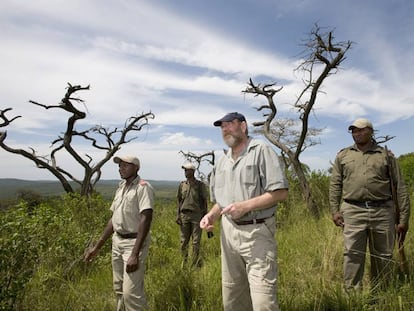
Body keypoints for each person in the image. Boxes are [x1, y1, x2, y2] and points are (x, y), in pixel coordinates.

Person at [200, 112, 289, 311]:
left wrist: (245, 206)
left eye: (230, 124)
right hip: (229, 234)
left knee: (263, 302)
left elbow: (280, 193)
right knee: (233, 298)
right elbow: (221, 202)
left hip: (257, 234)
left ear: (243, 126)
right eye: (222, 126)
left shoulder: (261, 150)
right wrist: (211, 215)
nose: (225, 129)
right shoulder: (222, 160)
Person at [329, 118, 410, 291]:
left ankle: (380, 295)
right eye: (353, 131)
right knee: (352, 255)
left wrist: (403, 218)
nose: (356, 133)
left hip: (383, 211)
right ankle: (352, 298)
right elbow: (335, 184)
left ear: (370, 131)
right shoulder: (343, 155)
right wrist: (335, 211)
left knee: (383, 256)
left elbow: (400, 186)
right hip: (352, 211)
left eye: (360, 130)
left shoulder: (386, 156)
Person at [84, 155, 154, 311]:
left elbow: (146, 219)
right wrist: (97, 247)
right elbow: (113, 220)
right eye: (120, 165)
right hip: (117, 241)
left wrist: (134, 254)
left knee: (131, 294)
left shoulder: (143, 187)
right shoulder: (121, 187)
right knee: (119, 289)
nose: (121, 168)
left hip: (133, 243)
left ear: (136, 168)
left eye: (125, 166)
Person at [176, 162, 208, 267]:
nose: (185, 172)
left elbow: (204, 201)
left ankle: (194, 263)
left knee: (195, 241)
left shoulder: (200, 185)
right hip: (184, 215)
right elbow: (179, 200)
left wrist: (205, 216)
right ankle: (183, 263)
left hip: (196, 216)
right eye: (184, 170)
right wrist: (178, 215)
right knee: (183, 241)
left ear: (193, 171)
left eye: (187, 170)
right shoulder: (182, 185)